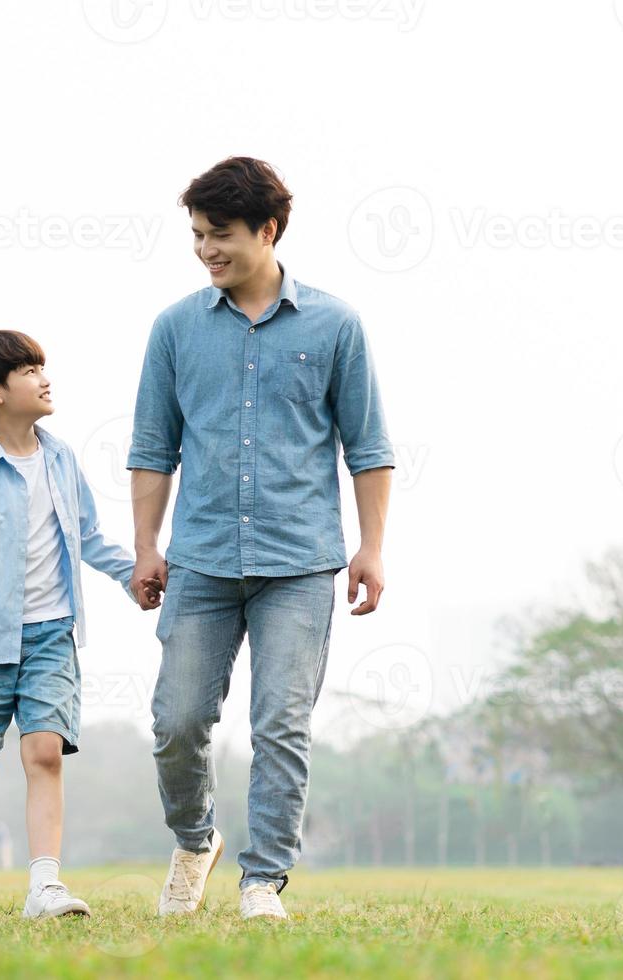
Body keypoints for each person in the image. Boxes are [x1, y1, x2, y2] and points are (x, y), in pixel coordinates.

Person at [127, 157, 396, 921]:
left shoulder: (334, 325)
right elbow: (152, 448)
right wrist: (146, 546)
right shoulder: (175, 328)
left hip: (299, 563)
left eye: (220, 235)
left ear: (267, 230)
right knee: (176, 722)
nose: (205, 250)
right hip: (202, 560)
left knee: (280, 721)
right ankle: (193, 839)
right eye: (196, 236)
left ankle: (262, 881)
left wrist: (370, 547)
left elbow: (367, 447)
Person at [0, 329, 162, 919]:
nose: (44, 377)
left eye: (42, 366)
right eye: (29, 369)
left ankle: (45, 887)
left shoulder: (60, 459)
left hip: (52, 634)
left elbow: (85, 536)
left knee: (44, 753)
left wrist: (130, 576)